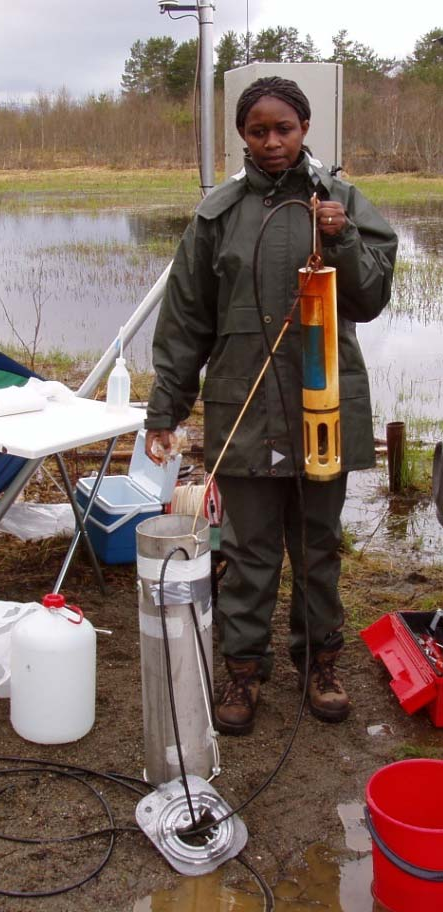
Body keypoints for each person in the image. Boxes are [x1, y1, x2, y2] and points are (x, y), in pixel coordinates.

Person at [145, 76, 398, 735]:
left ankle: (320, 665)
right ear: (242, 136)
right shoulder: (216, 215)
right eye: (258, 130)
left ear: (304, 129)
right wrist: (162, 414)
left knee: (317, 548)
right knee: (251, 551)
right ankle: (242, 672)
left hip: (324, 410)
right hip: (242, 411)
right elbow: (183, 322)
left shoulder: (338, 200)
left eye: (283, 128)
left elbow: (370, 299)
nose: (271, 141)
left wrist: (339, 238)